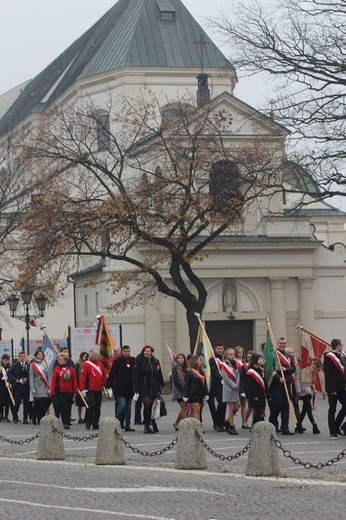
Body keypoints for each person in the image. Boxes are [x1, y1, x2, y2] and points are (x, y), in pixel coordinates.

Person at [133, 345, 165, 434]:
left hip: (154, 387)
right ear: (143, 352)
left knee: (151, 406)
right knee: (147, 405)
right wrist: (136, 388)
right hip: (143, 386)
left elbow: (159, 374)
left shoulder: (155, 361)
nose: (147, 352)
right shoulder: (139, 361)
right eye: (145, 351)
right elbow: (135, 375)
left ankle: (151, 423)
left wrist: (162, 385)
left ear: (151, 352)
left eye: (149, 351)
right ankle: (146, 426)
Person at [268, 337, 296, 435]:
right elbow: (270, 370)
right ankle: (271, 424)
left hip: (287, 383)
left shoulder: (289, 356)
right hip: (276, 384)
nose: (282, 344)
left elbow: (293, 368)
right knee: (278, 405)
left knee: (286, 406)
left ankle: (285, 428)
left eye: (284, 343)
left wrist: (286, 369)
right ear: (277, 343)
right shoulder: (273, 355)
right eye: (280, 343)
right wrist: (279, 377)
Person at [106, 345, 135, 431]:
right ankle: (117, 423)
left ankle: (128, 424)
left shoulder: (133, 361)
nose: (127, 353)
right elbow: (112, 374)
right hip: (120, 387)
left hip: (130, 387)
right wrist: (108, 385)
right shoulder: (117, 361)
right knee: (122, 405)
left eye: (128, 351)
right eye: (125, 352)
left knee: (128, 407)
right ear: (122, 352)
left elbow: (136, 374)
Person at [324, 338, 346, 439]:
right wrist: (331, 389)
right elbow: (327, 374)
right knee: (332, 409)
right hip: (333, 388)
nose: (342, 346)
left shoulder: (342, 356)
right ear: (337, 345)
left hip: (342, 387)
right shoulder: (329, 357)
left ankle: (337, 426)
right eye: (341, 344)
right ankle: (332, 431)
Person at [80, 349, 107, 430]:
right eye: (96, 355)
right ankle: (88, 422)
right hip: (90, 389)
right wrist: (82, 389)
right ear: (91, 356)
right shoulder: (86, 364)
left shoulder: (100, 364)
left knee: (98, 406)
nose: (98, 356)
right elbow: (83, 377)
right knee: (92, 405)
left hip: (99, 389)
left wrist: (106, 386)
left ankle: (96, 422)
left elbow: (103, 376)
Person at [50, 352, 78, 429]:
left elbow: (74, 380)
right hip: (60, 390)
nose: (59, 361)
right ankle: (65, 422)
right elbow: (53, 381)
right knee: (64, 406)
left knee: (69, 406)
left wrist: (75, 390)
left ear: (65, 360)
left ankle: (68, 419)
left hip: (69, 390)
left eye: (61, 360)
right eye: (59, 360)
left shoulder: (71, 369)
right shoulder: (56, 369)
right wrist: (52, 392)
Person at [294, 360, 320, 434]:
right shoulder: (298, 367)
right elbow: (297, 380)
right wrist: (299, 391)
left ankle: (298, 425)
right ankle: (314, 425)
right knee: (308, 408)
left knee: (305, 409)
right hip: (302, 390)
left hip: (308, 390)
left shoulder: (310, 367)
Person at [183, 355, 208, 426]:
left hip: (200, 392)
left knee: (198, 410)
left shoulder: (201, 372)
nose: (200, 362)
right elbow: (187, 383)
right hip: (192, 392)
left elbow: (204, 383)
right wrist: (185, 394)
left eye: (200, 360)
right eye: (198, 360)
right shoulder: (189, 371)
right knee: (197, 409)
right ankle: (198, 427)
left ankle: (191, 425)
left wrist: (206, 393)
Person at [220, 348, 240, 435]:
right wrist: (233, 386)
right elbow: (225, 378)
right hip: (228, 388)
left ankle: (227, 421)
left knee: (237, 407)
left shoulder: (236, 364)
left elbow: (238, 375)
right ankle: (231, 426)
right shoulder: (224, 365)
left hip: (236, 388)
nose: (232, 356)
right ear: (226, 355)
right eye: (230, 354)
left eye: (233, 354)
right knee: (231, 407)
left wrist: (237, 385)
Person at [208, 342, 227, 432]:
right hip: (215, 385)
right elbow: (214, 371)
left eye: (221, 348)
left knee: (223, 404)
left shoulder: (224, 359)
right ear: (215, 349)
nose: (220, 350)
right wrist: (221, 378)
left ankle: (221, 423)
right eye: (218, 348)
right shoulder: (213, 359)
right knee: (218, 404)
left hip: (224, 385)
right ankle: (216, 423)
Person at [30, 349, 51, 425]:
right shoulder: (33, 364)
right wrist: (32, 388)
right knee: (37, 403)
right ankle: (34, 415)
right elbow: (32, 376)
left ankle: (41, 418)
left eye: (41, 355)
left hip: (44, 386)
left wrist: (49, 386)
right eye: (39, 355)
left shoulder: (45, 363)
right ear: (36, 355)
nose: (40, 356)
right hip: (37, 385)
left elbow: (48, 375)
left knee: (44, 403)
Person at [8, 351, 30, 424]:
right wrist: (15, 380)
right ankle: (15, 416)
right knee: (17, 402)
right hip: (18, 386)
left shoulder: (28, 365)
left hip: (26, 387)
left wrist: (27, 379)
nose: (23, 358)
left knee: (26, 403)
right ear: (19, 357)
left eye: (24, 356)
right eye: (21, 356)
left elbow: (31, 375)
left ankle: (25, 419)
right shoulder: (15, 365)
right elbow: (9, 373)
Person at [246, 353, 268, 427]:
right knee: (258, 411)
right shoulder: (251, 371)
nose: (262, 361)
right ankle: (254, 426)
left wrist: (268, 393)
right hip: (255, 394)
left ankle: (261, 426)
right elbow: (251, 385)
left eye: (262, 359)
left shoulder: (261, 370)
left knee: (262, 411)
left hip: (261, 394)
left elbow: (265, 382)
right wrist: (254, 395)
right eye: (260, 359)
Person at [171, 353, 188, 430]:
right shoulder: (175, 368)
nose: (180, 360)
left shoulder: (184, 368)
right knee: (184, 407)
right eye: (179, 358)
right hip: (179, 391)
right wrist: (183, 390)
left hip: (185, 390)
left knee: (184, 408)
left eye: (182, 358)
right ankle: (185, 425)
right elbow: (176, 381)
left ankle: (176, 423)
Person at [235, 345, 249, 429]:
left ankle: (244, 421)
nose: (240, 353)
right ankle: (229, 420)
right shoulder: (235, 362)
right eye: (239, 352)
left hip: (243, 384)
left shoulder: (243, 362)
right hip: (237, 384)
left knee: (244, 404)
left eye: (242, 352)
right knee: (236, 406)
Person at [74, 351, 89, 423]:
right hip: (79, 386)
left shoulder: (87, 364)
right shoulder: (78, 365)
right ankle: (80, 417)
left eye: (86, 356)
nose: (85, 358)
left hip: (86, 386)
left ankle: (87, 417)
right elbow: (76, 375)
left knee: (87, 402)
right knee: (79, 403)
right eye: (84, 356)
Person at [0, 354, 13, 422]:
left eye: (7, 360)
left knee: (7, 402)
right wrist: (1, 378)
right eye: (5, 360)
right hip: (1, 387)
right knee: (2, 402)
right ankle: (1, 415)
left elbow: (11, 376)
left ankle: (6, 416)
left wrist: (9, 382)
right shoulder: (0, 367)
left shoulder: (9, 367)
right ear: (2, 360)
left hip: (7, 387)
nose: (6, 362)